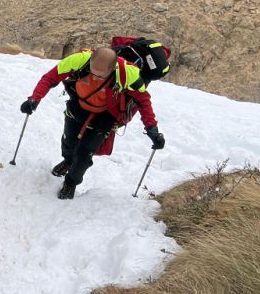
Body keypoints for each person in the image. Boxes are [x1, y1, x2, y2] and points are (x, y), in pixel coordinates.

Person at [20, 47, 165, 200]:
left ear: (112, 68)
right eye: (92, 71)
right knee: (69, 140)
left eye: (100, 75)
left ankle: (71, 182)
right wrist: (33, 99)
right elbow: (50, 78)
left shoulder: (128, 74)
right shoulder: (78, 60)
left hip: (107, 113)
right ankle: (68, 160)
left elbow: (143, 101)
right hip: (79, 103)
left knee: (86, 151)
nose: (95, 77)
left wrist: (152, 128)